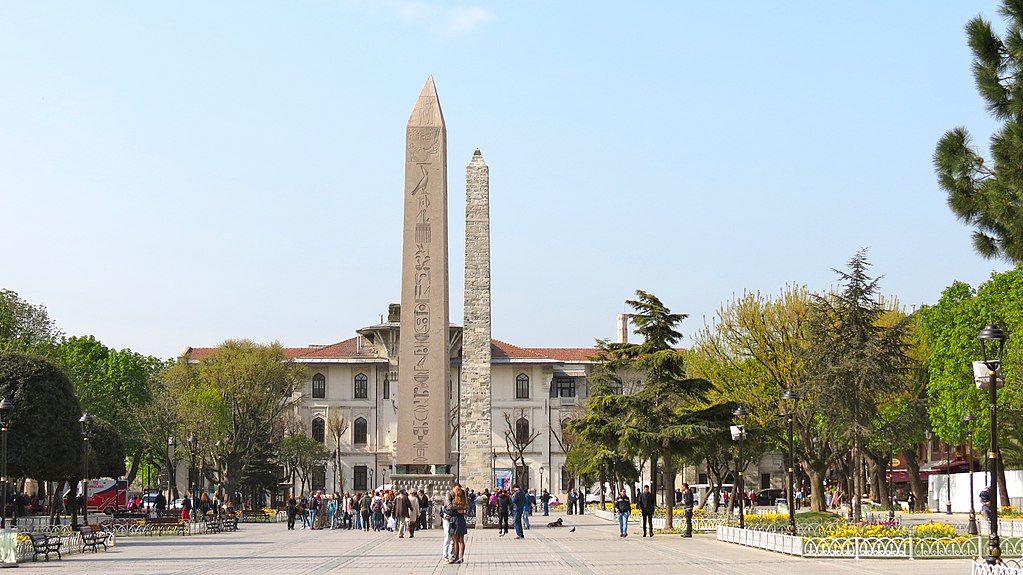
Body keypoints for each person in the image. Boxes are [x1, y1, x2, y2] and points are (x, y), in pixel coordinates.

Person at [447, 484, 469, 564]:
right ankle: (460, 557)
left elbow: (450, 506)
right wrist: (461, 508)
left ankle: (458, 557)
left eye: (458, 490)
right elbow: (463, 507)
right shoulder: (462, 497)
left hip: (455, 518)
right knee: (459, 540)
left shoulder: (459, 497)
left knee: (457, 540)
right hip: (459, 518)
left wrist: (457, 508)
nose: (457, 491)